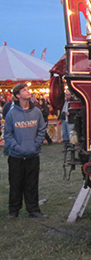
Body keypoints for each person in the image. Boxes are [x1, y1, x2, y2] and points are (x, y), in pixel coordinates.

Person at [3, 82, 48, 219]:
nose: (28, 91)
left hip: (32, 155)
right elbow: (8, 134)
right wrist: (17, 147)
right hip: (16, 156)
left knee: (32, 184)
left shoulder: (36, 112)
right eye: (24, 90)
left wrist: (35, 144)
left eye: (28, 89)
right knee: (15, 184)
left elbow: (42, 129)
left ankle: (33, 210)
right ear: (18, 95)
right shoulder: (12, 114)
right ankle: (13, 211)